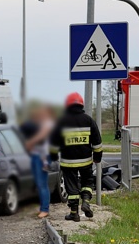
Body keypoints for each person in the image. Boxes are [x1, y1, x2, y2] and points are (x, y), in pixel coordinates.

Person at [49, 92, 103, 221]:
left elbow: (54, 143)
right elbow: (97, 141)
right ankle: (86, 201)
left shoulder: (61, 121)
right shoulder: (88, 120)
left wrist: (53, 156)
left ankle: (74, 213)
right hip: (86, 161)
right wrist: (97, 157)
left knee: (71, 187)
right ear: (81, 104)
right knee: (87, 182)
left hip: (68, 162)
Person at [23, 105, 55, 219]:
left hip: (43, 157)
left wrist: (30, 142)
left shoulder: (49, 123)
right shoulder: (41, 123)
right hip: (37, 155)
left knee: (42, 183)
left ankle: (44, 209)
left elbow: (41, 135)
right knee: (39, 183)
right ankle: (43, 207)